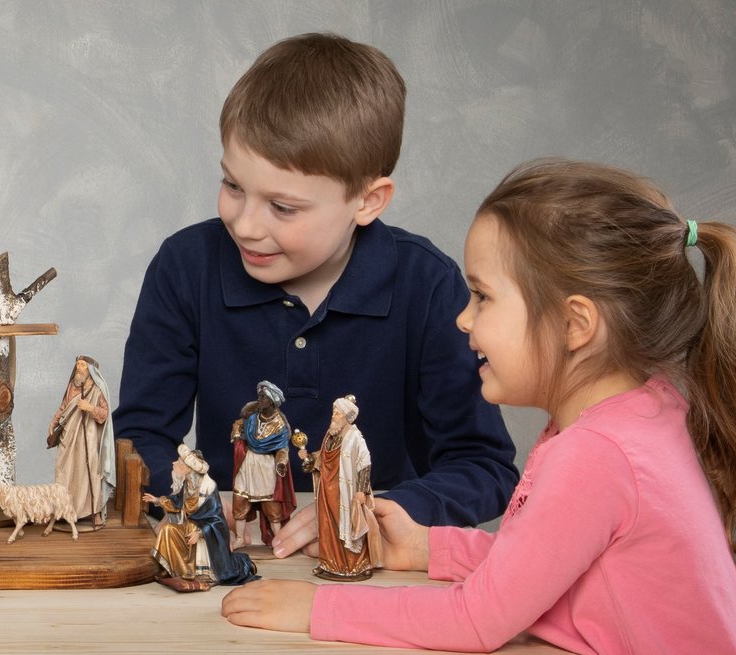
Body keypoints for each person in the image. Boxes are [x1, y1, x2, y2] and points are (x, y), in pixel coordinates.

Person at [221, 159, 736, 653]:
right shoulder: (642, 413)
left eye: (483, 297)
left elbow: (477, 619)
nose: (462, 318)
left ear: (574, 324)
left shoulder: (598, 454)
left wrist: (317, 608)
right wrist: (428, 546)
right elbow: (546, 565)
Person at [112, 33, 517, 549]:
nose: (245, 225)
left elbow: (483, 466)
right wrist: (192, 499)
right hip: (233, 550)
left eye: (282, 207)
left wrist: (368, 512)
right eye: (233, 186)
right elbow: (139, 438)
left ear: (368, 201)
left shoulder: (427, 284)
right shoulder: (185, 266)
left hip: (371, 561)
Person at [143, 445, 258, 593]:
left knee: (178, 534)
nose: (174, 463)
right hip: (188, 526)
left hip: (203, 533)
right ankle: (179, 570)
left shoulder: (208, 489)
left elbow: (217, 521)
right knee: (167, 530)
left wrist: (200, 533)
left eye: (179, 462)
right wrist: (157, 500)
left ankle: (198, 572)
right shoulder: (188, 484)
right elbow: (177, 502)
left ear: (189, 468)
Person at [301, 395, 381, 581]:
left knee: (349, 526)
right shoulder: (330, 435)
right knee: (327, 526)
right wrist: (308, 458)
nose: (333, 416)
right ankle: (330, 564)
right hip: (326, 490)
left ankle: (355, 566)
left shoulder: (355, 437)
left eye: (338, 413)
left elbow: (365, 464)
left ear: (347, 417)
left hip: (345, 491)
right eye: (333, 412)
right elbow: (323, 457)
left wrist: (361, 491)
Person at [47, 355, 114, 528]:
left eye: (83, 365)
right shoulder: (72, 385)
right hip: (68, 436)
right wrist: (53, 422)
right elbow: (63, 407)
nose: (78, 367)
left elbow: (104, 414)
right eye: (77, 364)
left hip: (88, 438)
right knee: (64, 471)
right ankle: (63, 510)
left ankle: (95, 511)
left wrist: (90, 408)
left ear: (91, 370)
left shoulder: (97, 389)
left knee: (90, 472)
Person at [229, 381, 296, 549]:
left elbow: (282, 449)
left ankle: (278, 540)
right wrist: (237, 436)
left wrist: (281, 462)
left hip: (266, 467)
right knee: (240, 500)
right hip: (247, 463)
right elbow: (238, 424)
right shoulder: (252, 416)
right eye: (259, 397)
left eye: (263, 398)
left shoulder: (280, 425)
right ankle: (240, 539)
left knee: (271, 507)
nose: (259, 400)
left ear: (272, 401)